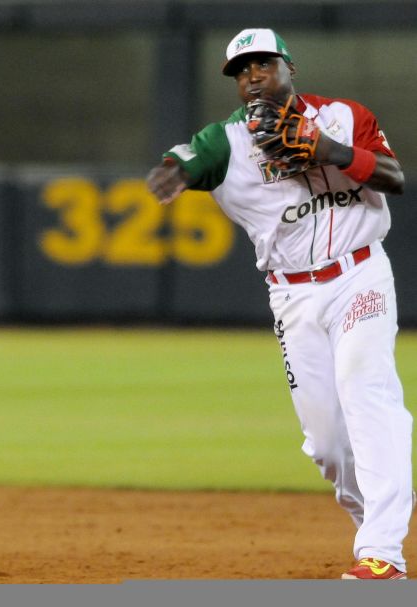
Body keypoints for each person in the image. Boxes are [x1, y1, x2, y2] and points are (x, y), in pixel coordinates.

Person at [147, 28, 413, 580]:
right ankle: (381, 526)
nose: (252, 77)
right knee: (327, 443)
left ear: (288, 66)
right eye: (241, 71)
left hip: (359, 274)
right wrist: (174, 175)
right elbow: (174, 168)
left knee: (368, 394)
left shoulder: (344, 115)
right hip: (292, 294)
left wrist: (328, 151)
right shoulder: (226, 141)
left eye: (262, 64)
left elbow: (394, 177)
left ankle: (383, 552)